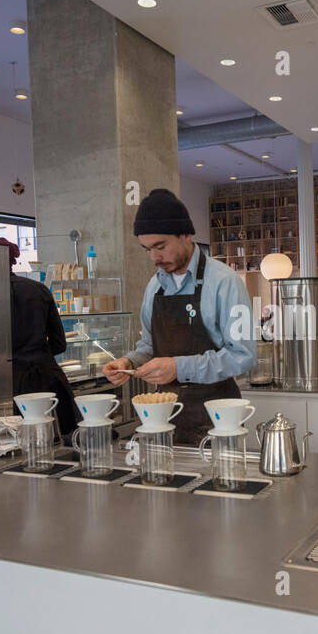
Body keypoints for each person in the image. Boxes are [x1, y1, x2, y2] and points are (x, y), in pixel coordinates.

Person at [102, 188, 254, 446]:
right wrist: (129, 362)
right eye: (147, 249)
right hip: (163, 416)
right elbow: (149, 347)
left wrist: (177, 367)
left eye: (160, 246)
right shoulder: (155, 286)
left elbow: (242, 356)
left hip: (218, 417)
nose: (154, 257)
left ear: (185, 234)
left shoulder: (225, 282)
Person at [0, 237, 81, 436]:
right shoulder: (38, 289)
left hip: (2, 388)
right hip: (47, 381)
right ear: (12, 260)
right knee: (59, 442)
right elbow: (59, 344)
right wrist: (37, 354)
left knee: (11, 445)